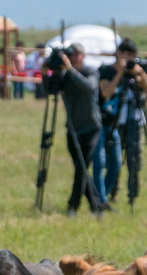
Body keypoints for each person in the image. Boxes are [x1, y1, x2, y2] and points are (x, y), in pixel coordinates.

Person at [94, 38, 147, 206]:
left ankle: (133, 194)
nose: (130, 59)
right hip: (115, 121)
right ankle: (111, 193)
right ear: (118, 53)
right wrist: (120, 73)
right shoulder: (107, 71)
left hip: (135, 121)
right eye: (127, 55)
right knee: (113, 161)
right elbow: (106, 93)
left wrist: (140, 74)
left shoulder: (137, 73)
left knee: (135, 159)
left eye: (133, 56)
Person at [58, 43, 102, 216]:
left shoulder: (91, 72)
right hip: (73, 129)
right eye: (71, 55)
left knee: (81, 168)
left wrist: (69, 70)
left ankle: (72, 207)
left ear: (83, 56)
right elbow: (50, 89)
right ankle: (96, 206)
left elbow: (88, 87)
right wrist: (48, 72)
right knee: (80, 168)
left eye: (77, 55)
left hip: (91, 127)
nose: (73, 58)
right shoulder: (65, 75)